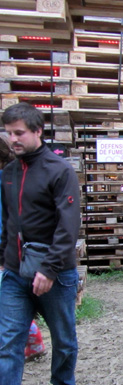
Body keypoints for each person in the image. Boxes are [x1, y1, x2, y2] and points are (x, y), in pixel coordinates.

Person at [0, 102, 81, 385]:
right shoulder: (7, 174)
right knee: (8, 340)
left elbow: (68, 227)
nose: (12, 139)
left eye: (19, 133)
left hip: (56, 274)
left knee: (63, 338)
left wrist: (48, 270)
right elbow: (7, 224)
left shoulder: (60, 171)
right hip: (14, 273)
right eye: (8, 133)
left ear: (37, 131)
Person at [0, 134, 46, 361]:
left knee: (9, 306)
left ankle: (31, 338)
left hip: (12, 252)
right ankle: (32, 337)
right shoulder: (14, 177)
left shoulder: (8, 179)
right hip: (18, 251)